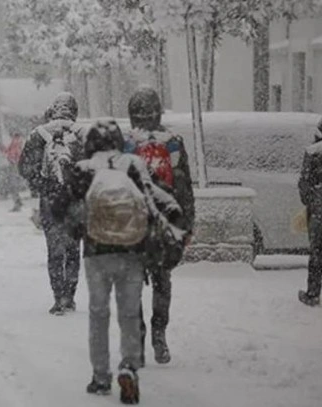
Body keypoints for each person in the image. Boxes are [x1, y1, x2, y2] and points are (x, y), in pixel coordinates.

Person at [54, 120, 182, 405]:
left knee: (98, 315)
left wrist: (76, 227)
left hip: (96, 252)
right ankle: (129, 366)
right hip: (131, 251)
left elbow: (59, 206)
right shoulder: (133, 164)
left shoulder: (84, 169)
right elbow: (155, 198)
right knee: (128, 315)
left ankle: (101, 376)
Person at [124, 87, 195, 366]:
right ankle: (159, 333)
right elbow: (184, 186)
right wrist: (187, 224)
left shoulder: (124, 143)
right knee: (162, 281)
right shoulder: (173, 143)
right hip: (165, 222)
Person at [18, 92, 86, 315]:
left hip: (50, 199)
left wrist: (42, 185)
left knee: (55, 250)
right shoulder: (82, 133)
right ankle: (70, 295)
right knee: (73, 249)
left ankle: (58, 297)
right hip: (76, 200)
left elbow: (24, 167)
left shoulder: (39, 134)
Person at [298, 115, 322, 306]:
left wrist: (312, 202)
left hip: (320, 208)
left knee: (317, 252)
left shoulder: (313, 152)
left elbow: (304, 184)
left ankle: (313, 293)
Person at [0, 131, 25, 212]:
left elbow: (13, 152)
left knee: (13, 185)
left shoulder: (16, 142)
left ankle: (17, 203)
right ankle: (18, 201)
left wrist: (13, 159)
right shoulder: (18, 142)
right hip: (15, 164)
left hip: (14, 164)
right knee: (13, 184)